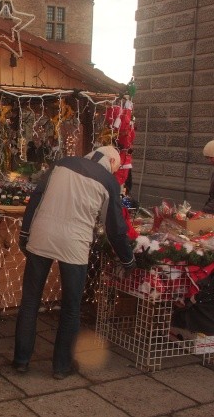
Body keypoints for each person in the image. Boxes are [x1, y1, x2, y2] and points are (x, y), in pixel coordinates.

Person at [13, 145, 136, 379]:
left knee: (30, 301)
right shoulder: (108, 181)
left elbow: (36, 199)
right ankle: (61, 366)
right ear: (111, 162)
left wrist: (25, 235)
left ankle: (21, 361)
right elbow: (115, 230)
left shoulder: (61, 163)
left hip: (42, 235)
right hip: (75, 244)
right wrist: (127, 259)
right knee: (71, 308)